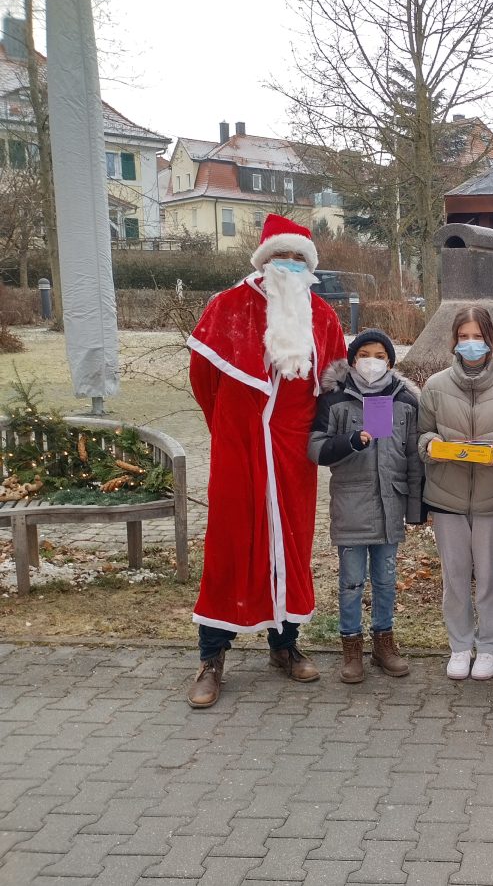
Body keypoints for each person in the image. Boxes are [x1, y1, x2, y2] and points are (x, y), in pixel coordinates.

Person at [186, 213, 347, 708]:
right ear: (263, 259)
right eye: (282, 256)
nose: (290, 266)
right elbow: (203, 378)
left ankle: (285, 645)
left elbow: (339, 387)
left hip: (294, 453)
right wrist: (234, 428)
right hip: (240, 447)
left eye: (300, 258)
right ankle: (212, 658)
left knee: (293, 544)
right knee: (231, 544)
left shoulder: (323, 317)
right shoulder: (227, 307)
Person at [417, 306, 493, 681]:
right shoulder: (434, 386)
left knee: (490, 578)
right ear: (454, 340)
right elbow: (421, 434)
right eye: (463, 337)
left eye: (477, 337)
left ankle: (489, 648)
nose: (470, 344)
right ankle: (460, 646)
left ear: (490, 341)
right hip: (446, 497)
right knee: (454, 578)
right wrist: (431, 445)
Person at [309, 329, 423, 684]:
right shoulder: (335, 399)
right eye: (364, 354)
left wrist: (417, 509)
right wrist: (350, 443)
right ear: (353, 358)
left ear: (390, 361)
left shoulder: (403, 400)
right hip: (352, 505)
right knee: (352, 582)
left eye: (380, 355)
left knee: (387, 580)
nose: (372, 361)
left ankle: (384, 644)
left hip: (391, 504)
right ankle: (351, 648)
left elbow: (413, 456)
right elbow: (315, 448)